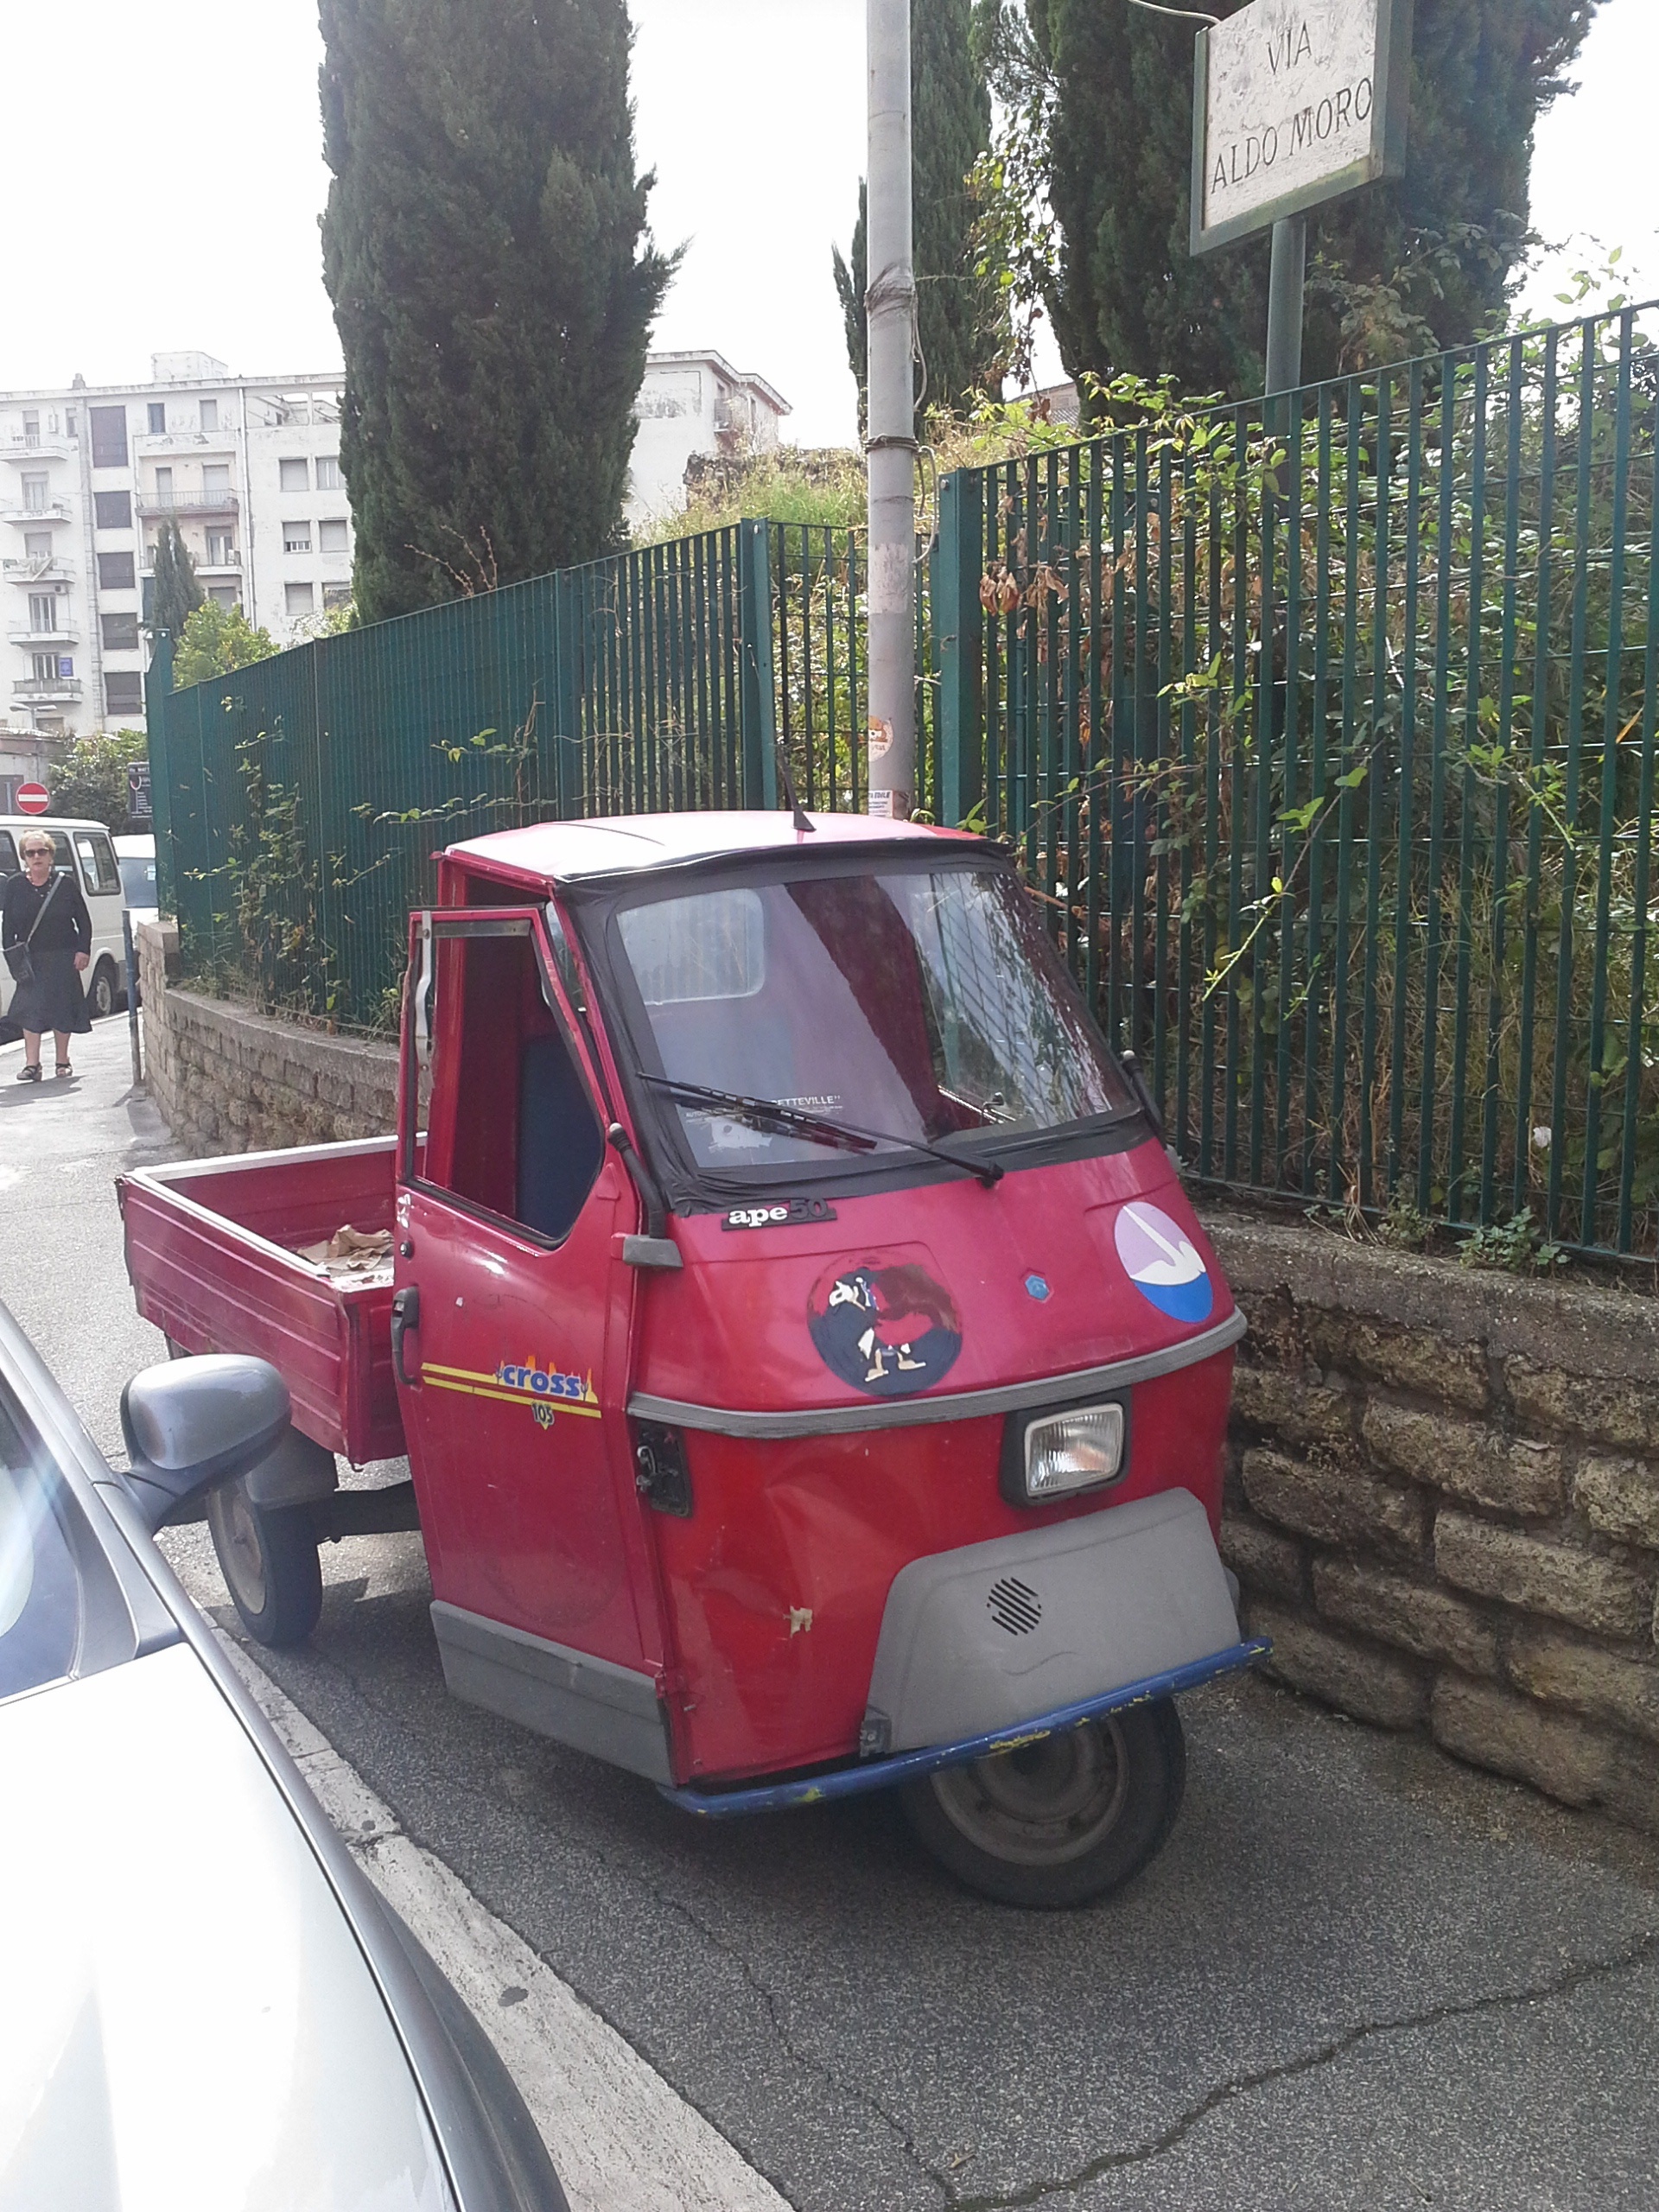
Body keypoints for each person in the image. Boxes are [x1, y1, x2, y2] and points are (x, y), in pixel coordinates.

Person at [2, 831, 92, 1082]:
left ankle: (62, 1061)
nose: (36, 857)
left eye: (42, 851)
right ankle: (32, 1065)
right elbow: (8, 926)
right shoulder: (15, 885)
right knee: (29, 1010)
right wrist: (12, 957)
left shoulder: (65, 884)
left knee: (62, 1008)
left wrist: (83, 950)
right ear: (24, 857)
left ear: (51, 855)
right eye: (30, 853)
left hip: (63, 955)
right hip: (30, 959)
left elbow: (83, 921)